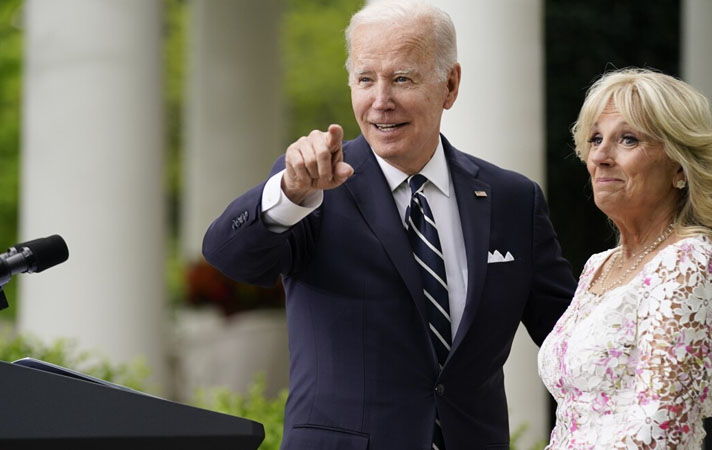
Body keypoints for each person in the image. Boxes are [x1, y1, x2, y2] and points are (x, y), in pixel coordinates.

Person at [202, 2, 576, 449]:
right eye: (365, 79)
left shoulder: (513, 199)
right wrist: (288, 193)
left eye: (402, 78)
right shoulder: (312, 186)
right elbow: (229, 256)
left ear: (450, 85)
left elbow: (573, 341)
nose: (381, 101)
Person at [538, 68, 712, 449]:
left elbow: (661, 430)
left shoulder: (690, 263)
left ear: (680, 166)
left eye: (627, 139)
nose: (600, 155)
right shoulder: (598, 265)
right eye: (595, 138)